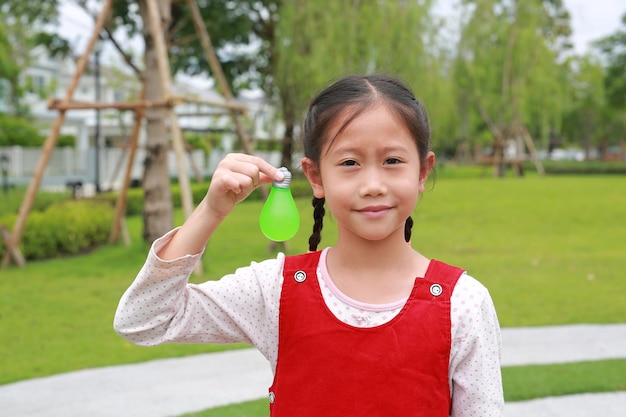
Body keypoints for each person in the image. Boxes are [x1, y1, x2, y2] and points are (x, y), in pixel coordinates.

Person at [114, 74, 504, 416]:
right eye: (349, 163)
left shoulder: (463, 304)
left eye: (392, 161)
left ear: (423, 171)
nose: (372, 184)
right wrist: (209, 212)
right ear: (315, 176)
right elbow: (145, 321)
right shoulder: (276, 291)